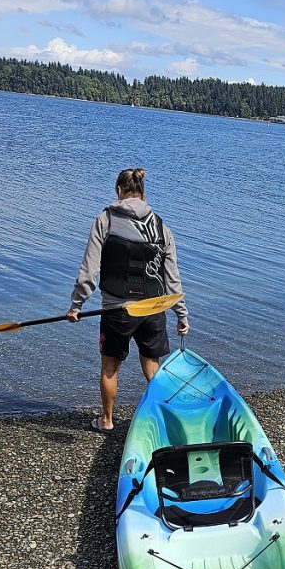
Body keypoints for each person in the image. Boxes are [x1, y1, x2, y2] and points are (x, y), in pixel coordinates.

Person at [66, 167, 190, 432]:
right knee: (152, 366)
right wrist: (181, 314)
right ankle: (165, 420)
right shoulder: (161, 226)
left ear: (119, 191)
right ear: (143, 192)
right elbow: (172, 278)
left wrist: (77, 305)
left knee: (111, 366)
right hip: (153, 309)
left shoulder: (105, 220)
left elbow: (89, 270)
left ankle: (107, 421)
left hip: (117, 309)